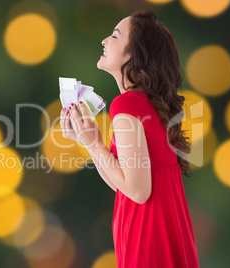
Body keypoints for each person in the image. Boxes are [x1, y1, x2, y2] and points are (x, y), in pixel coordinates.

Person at [59, 10, 200, 268]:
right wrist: (87, 142)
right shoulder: (149, 105)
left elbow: (137, 190)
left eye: (114, 36)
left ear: (134, 54)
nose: (104, 41)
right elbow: (125, 184)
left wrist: (94, 144)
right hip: (162, 229)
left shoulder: (126, 104)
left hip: (147, 236)